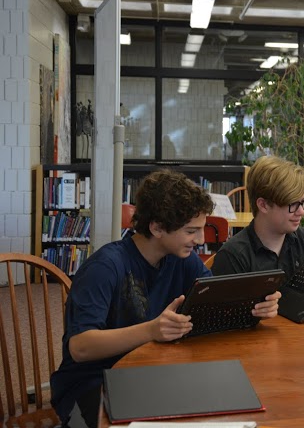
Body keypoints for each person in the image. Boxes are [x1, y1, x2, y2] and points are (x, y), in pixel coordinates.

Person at [50, 170, 281, 427]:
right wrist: (152, 330)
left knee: (221, 407)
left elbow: (215, 303)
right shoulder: (105, 267)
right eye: (191, 231)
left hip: (147, 375)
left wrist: (255, 307)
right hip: (91, 383)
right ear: (157, 228)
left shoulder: (182, 258)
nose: (201, 240)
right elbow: (80, 347)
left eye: (202, 229)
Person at [211, 156, 304, 301]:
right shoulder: (233, 256)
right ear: (263, 205)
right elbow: (227, 318)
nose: (301, 211)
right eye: (293, 204)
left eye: (303, 202)